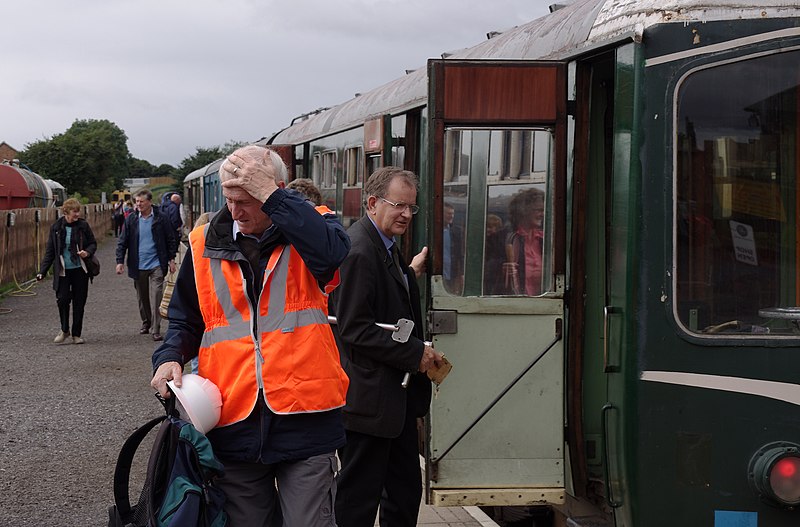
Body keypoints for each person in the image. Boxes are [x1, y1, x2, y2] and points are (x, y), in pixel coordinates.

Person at [149, 145, 351, 527]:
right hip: (232, 419)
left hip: (305, 417)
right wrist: (169, 357)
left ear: (274, 189)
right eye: (229, 199)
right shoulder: (202, 243)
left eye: (246, 199)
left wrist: (276, 200)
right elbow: (185, 322)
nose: (235, 211)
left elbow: (332, 255)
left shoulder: (315, 225)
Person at [330, 166, 443, 527]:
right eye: (399, 206)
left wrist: (410, 272)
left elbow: (382, 301)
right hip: (368, 404)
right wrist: (415, 354)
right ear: (373, 203)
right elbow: (354, 328)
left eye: (412, 208)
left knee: (405, 490)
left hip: (391, 404)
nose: (407, 215)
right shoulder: (359, 251)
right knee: (358, 499)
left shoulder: (383, 246)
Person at [115, 189, 177, 341]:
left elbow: (171, 238)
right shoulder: (131, 220)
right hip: (138, 264)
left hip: (157, 263)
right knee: (142, 296)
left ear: (149, 202)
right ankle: (146, 321)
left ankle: (156, 328)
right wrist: (119, 261)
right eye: (137, 202)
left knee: (156, 294)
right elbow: (122, 241)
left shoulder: (161, 218)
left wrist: (171, 259)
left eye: (141, 201)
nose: (138, 204)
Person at [36, 198, 98, 345]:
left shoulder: (83, 226)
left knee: (79, 302)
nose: (77, 214)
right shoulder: (56, 227)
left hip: (80, 269)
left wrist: (87, 253)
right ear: (66, 212)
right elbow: (50, 251)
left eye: (78, 211)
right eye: (74, 211)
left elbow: (93, 243)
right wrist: (42, 271)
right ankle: (65, 329)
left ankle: (77, 334)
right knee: (63, 299)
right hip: (63, 270)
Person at [504, 187, 545, 296]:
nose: (543, 214)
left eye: (544, 210)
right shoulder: (506, 239)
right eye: (538, 210)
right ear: (523, 210)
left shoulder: (546, 240)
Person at [442, 201, 464, 294]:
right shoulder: (433, 232)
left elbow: (460, 254)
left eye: (453, 214)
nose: (451, 216)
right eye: (448, 213)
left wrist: (461, 274)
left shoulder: (457, 232)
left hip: (452, 274)